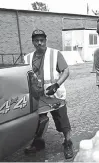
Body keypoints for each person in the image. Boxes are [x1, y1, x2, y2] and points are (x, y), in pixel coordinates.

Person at [24, 29, 74, 159]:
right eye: (36, 40)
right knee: (38, 122)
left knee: (62, 120)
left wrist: (56, 85)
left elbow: (66, 71)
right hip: (37, 97)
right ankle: (38, 143)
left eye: (42, 40)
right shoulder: (27, 58)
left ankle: (68, 142)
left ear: (45, 40)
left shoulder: (55, 54)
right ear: (33, 42)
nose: (39, 43)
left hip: (54, 95)